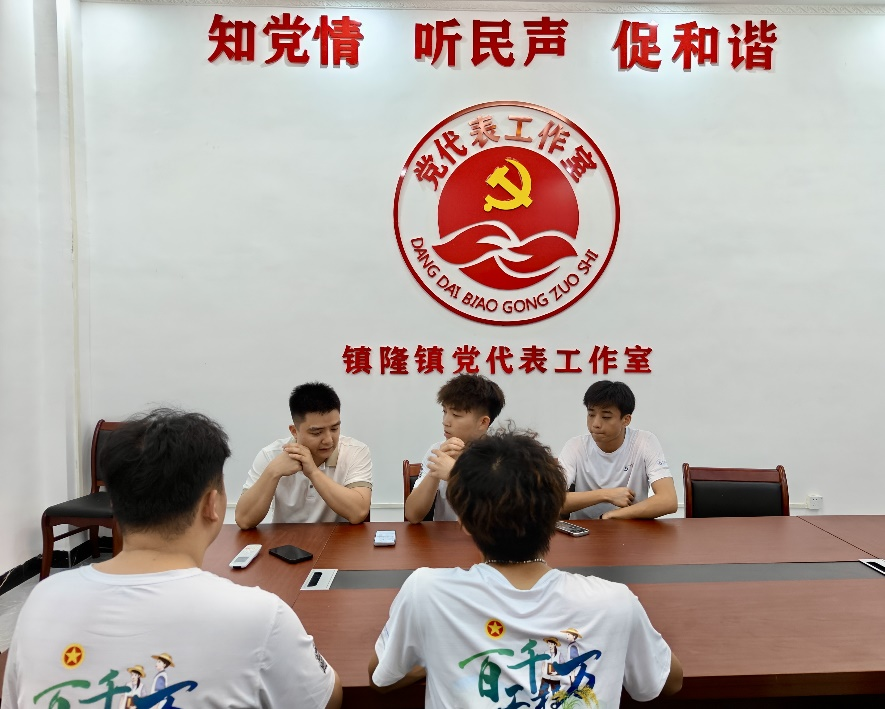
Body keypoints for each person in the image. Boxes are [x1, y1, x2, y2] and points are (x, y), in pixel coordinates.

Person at [2, 409, 342, 709]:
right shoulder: (261, 616)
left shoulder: (41, 601)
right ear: (212, 505)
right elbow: (325, 699)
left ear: (115, 504)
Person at [369, 429, 682, 708]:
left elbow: (381, 678)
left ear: (463, 521)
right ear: (554, 514)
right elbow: (668, 682)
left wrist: (435, 654)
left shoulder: (427, 592)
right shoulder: (615, 603)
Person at [236, 382, 372, 528]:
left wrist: (313, 472)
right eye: (317, 432)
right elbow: (244, 520)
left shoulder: (355, 451)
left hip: (339, 539)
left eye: (334, 429)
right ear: (294, 431)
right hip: (285, 540)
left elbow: (359, 512)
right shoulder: (270, 455)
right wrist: (272, 472)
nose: (328, 440)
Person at [559, 381, 678, 520]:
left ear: (626, 420)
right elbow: (552, 500)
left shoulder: (644, 442)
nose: (595, 424)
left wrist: (611, 516)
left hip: (630, 527)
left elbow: (668, 500)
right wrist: (606, 495)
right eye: (591, 415)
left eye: (606, 417)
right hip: (584, 530)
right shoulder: (575, 446)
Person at [404, 373, 505, 523]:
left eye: (456, 415)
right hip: (444, 537)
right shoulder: (438, 450)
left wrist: (456, 476)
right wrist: (434, 472)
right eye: (445, 411)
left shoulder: (502, 456)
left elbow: (500, 518)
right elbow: (412, 515)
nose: (445, 421)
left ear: (483, 423)